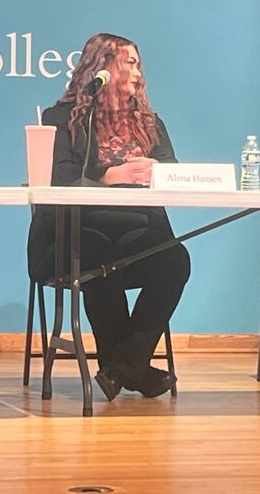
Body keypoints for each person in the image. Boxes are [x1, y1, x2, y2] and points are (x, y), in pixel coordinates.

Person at [27, 33, 191, 401]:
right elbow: (59, 176)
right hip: (80, 229)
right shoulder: (63, 118)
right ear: (103, 67)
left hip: (139, 229)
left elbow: (172, 169)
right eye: (129, 63)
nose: (138, 73)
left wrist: (155, 171)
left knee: (175, 260)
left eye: (138, 64)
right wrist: (110, 176)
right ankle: (134, 371)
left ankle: (123, 368)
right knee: (98, 258)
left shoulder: (150, 122)